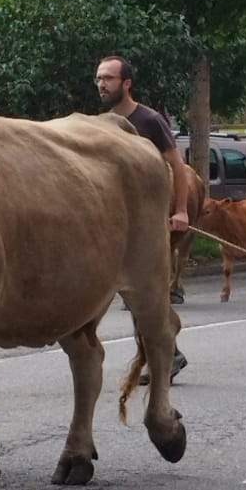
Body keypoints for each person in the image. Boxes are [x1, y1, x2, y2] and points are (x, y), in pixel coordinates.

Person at [95, 54, 192, 376]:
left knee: (144, 290)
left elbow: (177, 166)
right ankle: (167, 353)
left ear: (127, 83)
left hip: (150, 219)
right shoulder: (103, 123)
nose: (102, 84)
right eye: (99, 78)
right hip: (119, 222)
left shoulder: (149, 120)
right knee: (133, 292)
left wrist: (181, 210)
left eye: (108, 78)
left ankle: (166, 354)